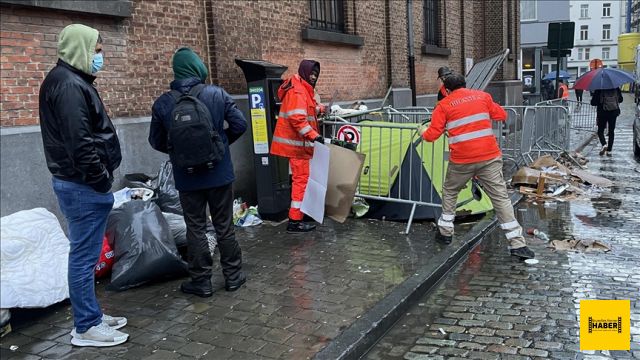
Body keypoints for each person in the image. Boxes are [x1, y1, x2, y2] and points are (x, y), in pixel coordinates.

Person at [39, 24, 128, 347]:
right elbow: (80, 143)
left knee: (86, 255)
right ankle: (86, 327)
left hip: (82, 184)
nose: (101, 57)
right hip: (83, 186)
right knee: (83, 256)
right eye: (98, 51)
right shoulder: (68, 85)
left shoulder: (71, 81)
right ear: (81, 49)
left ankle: (91, 314)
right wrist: (102, 180)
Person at [149, 47, 247, 297]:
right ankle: (233, 277)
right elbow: (239, 124)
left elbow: (156, 141)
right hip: (219, 173)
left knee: (196, 227)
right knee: (224, 226)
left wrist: (180, 154)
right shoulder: (216, 93)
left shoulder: (163, 102)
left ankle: (202, 282)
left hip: (187, 176)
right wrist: (220, 146)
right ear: (198, 69)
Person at [418, 73, 535, 260]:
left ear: (447, 90)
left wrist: (422, 131)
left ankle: (446, 233)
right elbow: (501, 115)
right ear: (465, 84)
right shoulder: (483, 96)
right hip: (489, 157)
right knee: (500, 199)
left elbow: (432, 135)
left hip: (462, 160)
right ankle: (518, 244)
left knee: (450, 190)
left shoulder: (444, 105)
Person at [270, 59, 325, 233]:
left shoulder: (301, 88)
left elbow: (305, 111)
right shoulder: (299, 91)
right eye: (312, 74)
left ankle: (299, 216)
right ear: (304, 72)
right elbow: (297, 119)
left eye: (316, 74)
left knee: (300, 181)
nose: (314, 77)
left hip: (298, 146)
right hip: (298, 147)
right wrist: (314, 136)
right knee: (300, 182)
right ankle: (295, 221)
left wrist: (320, 109)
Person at [590, 87, 623, 156]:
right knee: (611, 131)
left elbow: (593, 102)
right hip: (614, 112)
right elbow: (621, 100)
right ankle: (609, 150)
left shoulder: (599, 88)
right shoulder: (616, 88)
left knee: (600, 131)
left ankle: (604, 144)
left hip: (602, 113)